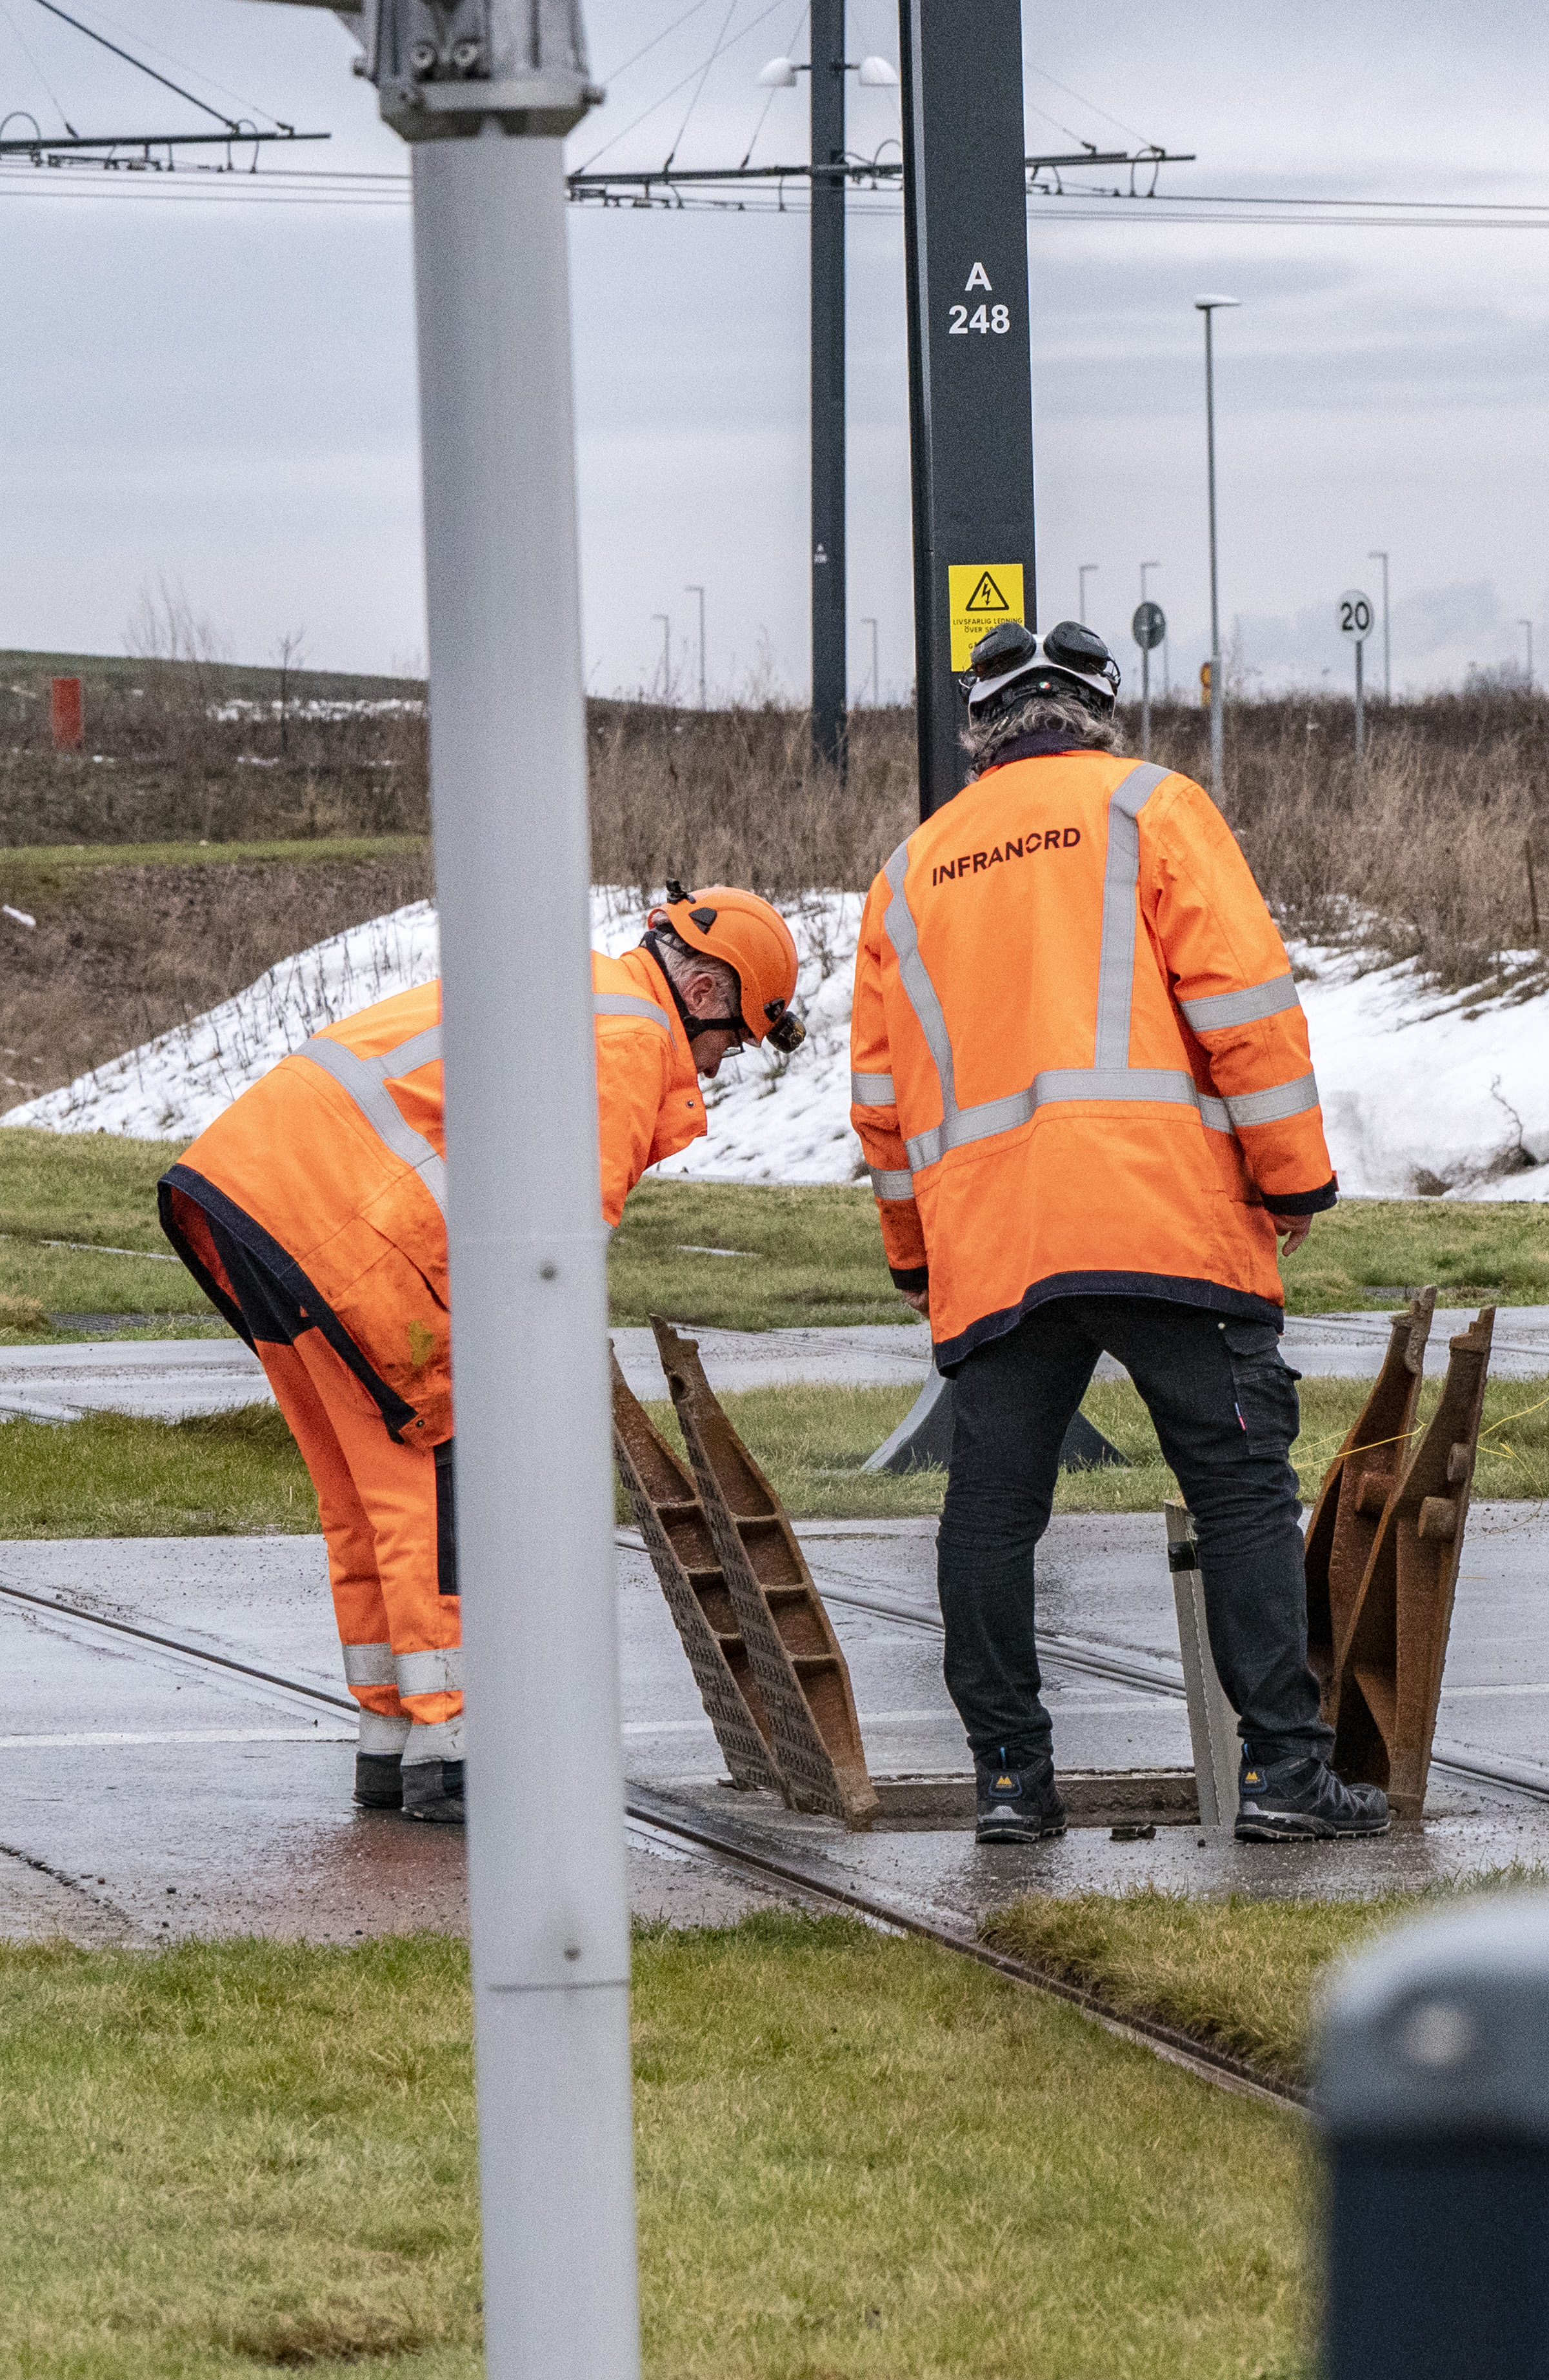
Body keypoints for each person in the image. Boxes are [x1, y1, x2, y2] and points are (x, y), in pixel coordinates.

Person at [849, 619, 1387, 1847]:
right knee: (1241, 1491)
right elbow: (1246, 1013)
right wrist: (1292, 1179)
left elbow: (880, 1106)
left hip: (996, 1243)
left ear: (979, 728)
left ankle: (1007, 1781)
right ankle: (1282, 1776)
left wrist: (915, 1254)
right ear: (1099, 705)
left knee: (990, 1514)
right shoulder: (1155, 808)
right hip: (1166, 1221)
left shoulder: (910, 872)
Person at [161, 884, 807, 1822]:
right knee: (434, 1479)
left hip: (256, 1202)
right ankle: (452, 1741)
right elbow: (559, 1240)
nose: (718, 1065)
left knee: (363, 1490)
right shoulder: (630, 1042)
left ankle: (393, 1733)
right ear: (706, 992)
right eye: (735, 1039)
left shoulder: (580, 993)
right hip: (342, 1232)